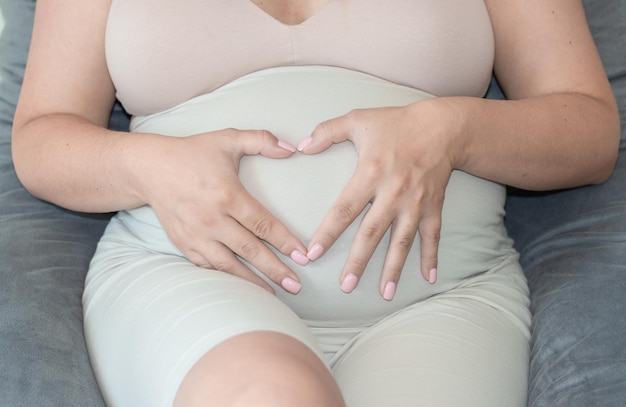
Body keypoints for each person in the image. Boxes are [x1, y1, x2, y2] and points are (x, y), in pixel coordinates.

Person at [10, 0, 620, 406]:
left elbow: (590, 133)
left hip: (443, 301)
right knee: (272, 396)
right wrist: (145, 166)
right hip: (189, 280)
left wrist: (454, 128)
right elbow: (42, 135)